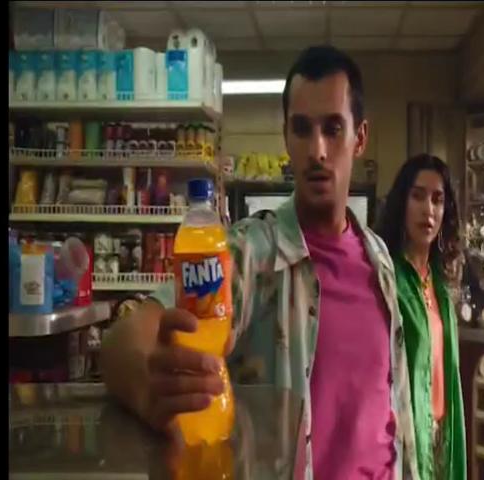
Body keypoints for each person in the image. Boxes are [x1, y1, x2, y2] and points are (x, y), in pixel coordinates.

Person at [100, 45, 420, 479]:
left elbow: (393, 406)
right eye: (302, 129)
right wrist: (148, 388)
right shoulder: (248, 254)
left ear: (359, 138)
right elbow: (122, 340)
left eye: (333, 129)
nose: (318, 150)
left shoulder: (380, 260)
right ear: (286, 137)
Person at [378, 154, 466, 480]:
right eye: (418, 196)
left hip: (442, 435)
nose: (428, 210)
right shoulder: (387, 277)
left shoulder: (441, 284)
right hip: (402, 439)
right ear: (402, 203)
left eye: (437, 200)